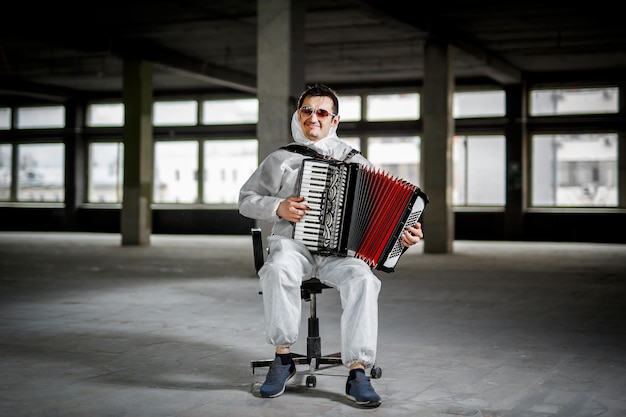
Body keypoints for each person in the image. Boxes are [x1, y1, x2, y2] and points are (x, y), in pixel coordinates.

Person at [238, 84, 423, 408]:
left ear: (334, 120)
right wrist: (277, 208)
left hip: (340, 254)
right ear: (298, 115)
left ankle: (357, 370)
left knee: (364, 279)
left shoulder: (357, 162)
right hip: (293, 245)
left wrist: (402, 237)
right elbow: (245, 200)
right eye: (307, 110)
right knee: (278, 268)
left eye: (321, 112)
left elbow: (383, 213)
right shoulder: (281, 158)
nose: (313, 117)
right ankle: (283, 359)